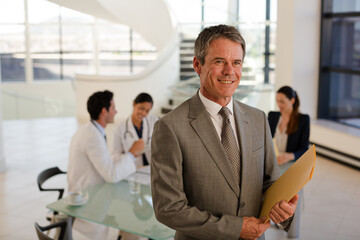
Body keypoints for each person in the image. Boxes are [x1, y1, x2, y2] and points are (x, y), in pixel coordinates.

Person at [151, 24, 299, 240]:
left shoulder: (258, 119)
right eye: (219, 61)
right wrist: (236, 228)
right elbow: (168, 208)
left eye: (236, 63)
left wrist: (282, 209)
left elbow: (270, 183)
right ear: (197, 64)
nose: (230, 71)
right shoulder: (170, 127)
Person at [67, 90, 143, 240]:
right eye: (113, 107)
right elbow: (111, 175)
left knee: (130, 218)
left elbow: (105, 163)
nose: (116, 111)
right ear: (104, 111)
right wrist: (132, 154)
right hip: (88, 201)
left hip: (95, 192)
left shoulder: (90, 130)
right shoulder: (92, 136)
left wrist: (125, 158)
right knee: (132, 215)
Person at [268, 85, 310, 238]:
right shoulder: (272, 116)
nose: (279, 105)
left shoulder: (303, 119)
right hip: (274, 162)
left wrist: (290, 155)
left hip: (291, 164)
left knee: (293, 193)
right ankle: (275, 218)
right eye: (277, 101)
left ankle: (293, 233)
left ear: (292, 100)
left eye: (283, 102)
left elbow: (304, 148)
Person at [113, 93, 158, 169]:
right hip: (132, 170)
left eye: (147, 111)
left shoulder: (154, 121)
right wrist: (131, 153)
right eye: (141, 108)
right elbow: (115, 156)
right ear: (134, 104)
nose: (143, 113)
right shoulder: (120, 129)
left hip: (151, 168)